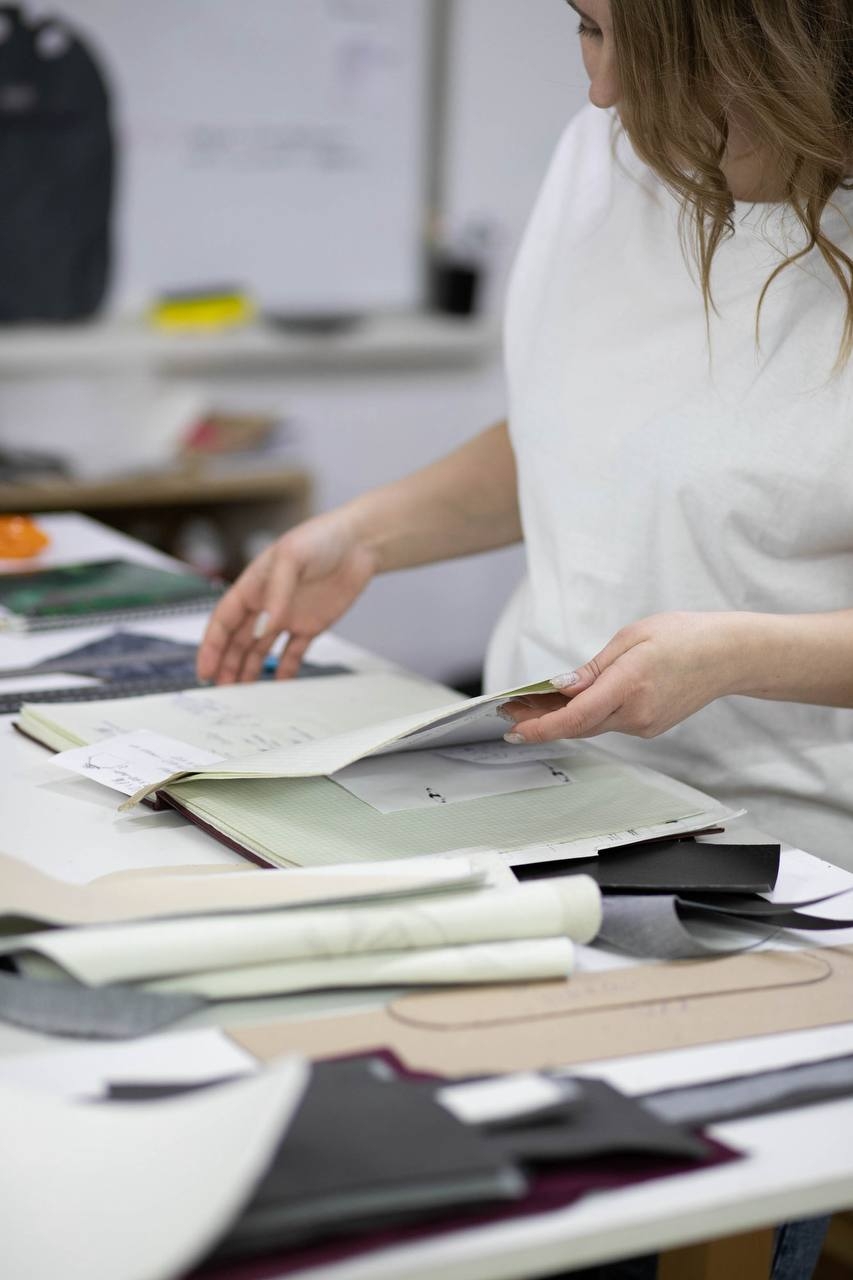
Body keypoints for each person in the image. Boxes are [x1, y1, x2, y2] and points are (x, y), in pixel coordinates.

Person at [198, 4, 851, 1271]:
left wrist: (735, 654)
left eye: (622, 38)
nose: (597, 90)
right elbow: (591, 430)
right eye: (579, 28)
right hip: (527, 812)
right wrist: (371, 532)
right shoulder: (604, 152)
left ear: (761, 35)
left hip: (772, 877)